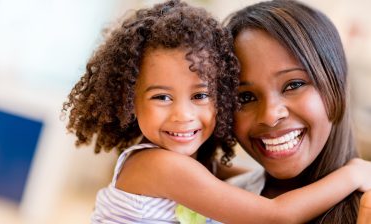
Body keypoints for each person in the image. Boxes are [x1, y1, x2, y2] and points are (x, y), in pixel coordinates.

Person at [62, 0, 371, 223]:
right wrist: (355, 172)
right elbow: (279, 215)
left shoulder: (191, 167)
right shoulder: (160, 166)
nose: (183, 114)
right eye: (161, 97)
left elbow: (234, 177)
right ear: (128, 99)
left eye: (200, 94)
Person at [226, 0, 369, 223]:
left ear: (336, 83)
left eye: (293, 85)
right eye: (245, 97)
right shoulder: (219, 205)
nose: (270, 115)